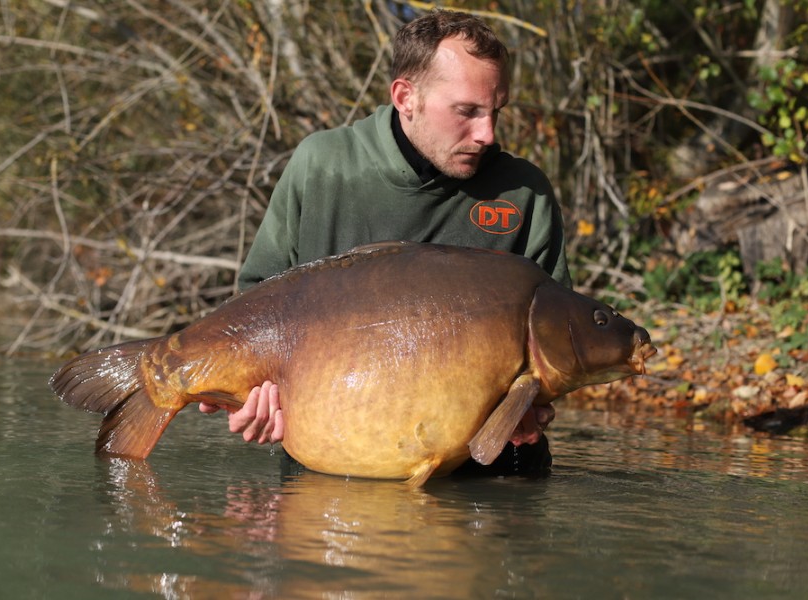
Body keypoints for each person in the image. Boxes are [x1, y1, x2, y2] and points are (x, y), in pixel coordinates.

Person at [200, 10, 569, 476]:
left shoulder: (523, 192)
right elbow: (256, 301)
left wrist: (537, 403)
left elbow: (563, 338)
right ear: (405, 96)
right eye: (467, 111)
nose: (487, 134)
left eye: (496, 111)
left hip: (487, 469)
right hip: (333, 459)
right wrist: (252, 393)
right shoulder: (323, 166)